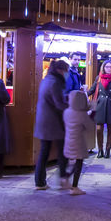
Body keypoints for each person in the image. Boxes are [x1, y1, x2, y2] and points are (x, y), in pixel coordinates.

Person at [33, 59, 70, 190]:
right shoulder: (55, 82)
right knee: (62, 151)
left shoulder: (46, 80)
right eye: (66, 71)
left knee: (44, 151)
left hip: (43, 121)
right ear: (60, 70)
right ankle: (63, 180)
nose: (67, 74)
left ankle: (40, 182)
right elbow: (59, 104)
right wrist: (71, 106)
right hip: (53, 122)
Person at [87, 58, 111, 158]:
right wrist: (82, 93)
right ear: (103, 68)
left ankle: (108, 150)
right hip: (100, 105)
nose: (109, 69)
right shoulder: (98, 78)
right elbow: (92, 90)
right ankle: (100, 150)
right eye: (107, 67)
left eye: (110, 67)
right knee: (99, 128)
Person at [61, 90, 93, 196]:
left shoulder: (67, 112)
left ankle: (65, 177)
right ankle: (74, 187)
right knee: (79, 163)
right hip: (79, 143)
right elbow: (89, 127)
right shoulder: (82, 114)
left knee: (71, 162)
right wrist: (92, 112)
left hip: (68, 141)